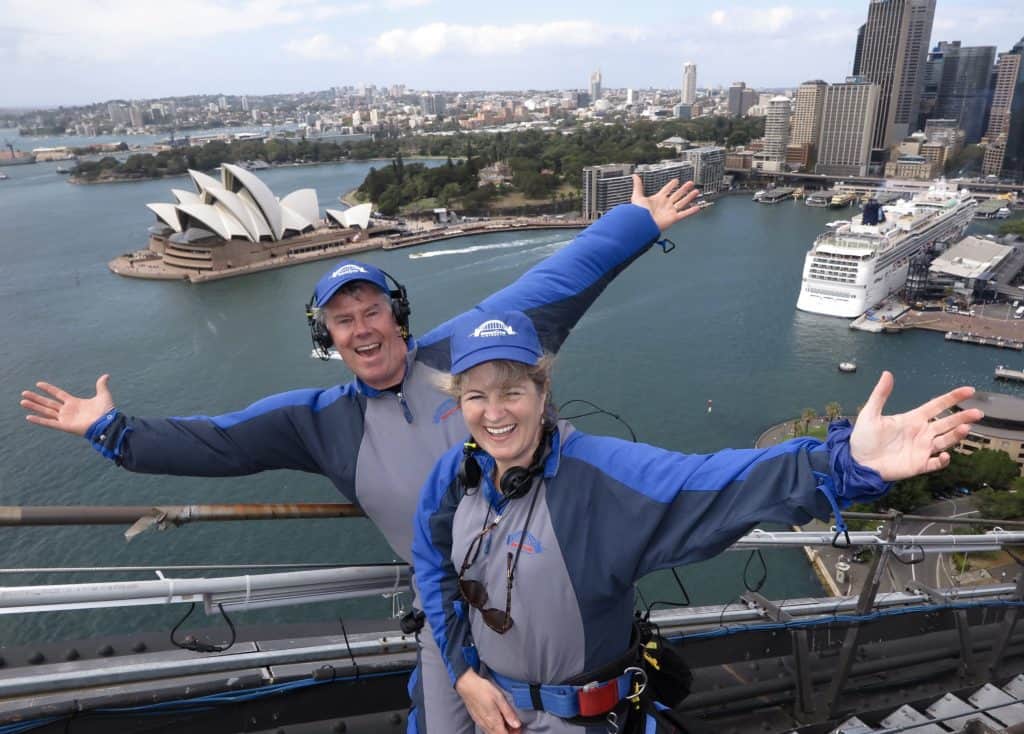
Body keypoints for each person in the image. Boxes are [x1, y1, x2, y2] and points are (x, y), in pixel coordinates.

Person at [19, 176, 705, 734]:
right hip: (452, 613)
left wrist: (635, 224)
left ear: (396, 316)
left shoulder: (471, 345)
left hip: (557, 585)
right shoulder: (321, 422)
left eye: (371, 309)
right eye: (343, 320)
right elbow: (218, 441)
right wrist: (111, 431)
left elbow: (561, 279)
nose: (361, 327)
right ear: (330, 339)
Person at [412, 308, 984, 734]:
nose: (493, 413)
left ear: (543, 392)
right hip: (488, 704)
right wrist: (463, 673)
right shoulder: (455, 475)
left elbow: (716, 483)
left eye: (512, 391)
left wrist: (845, 462)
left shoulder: (603, 479)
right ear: (458, 402)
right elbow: (433, 568)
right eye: (475, 396)